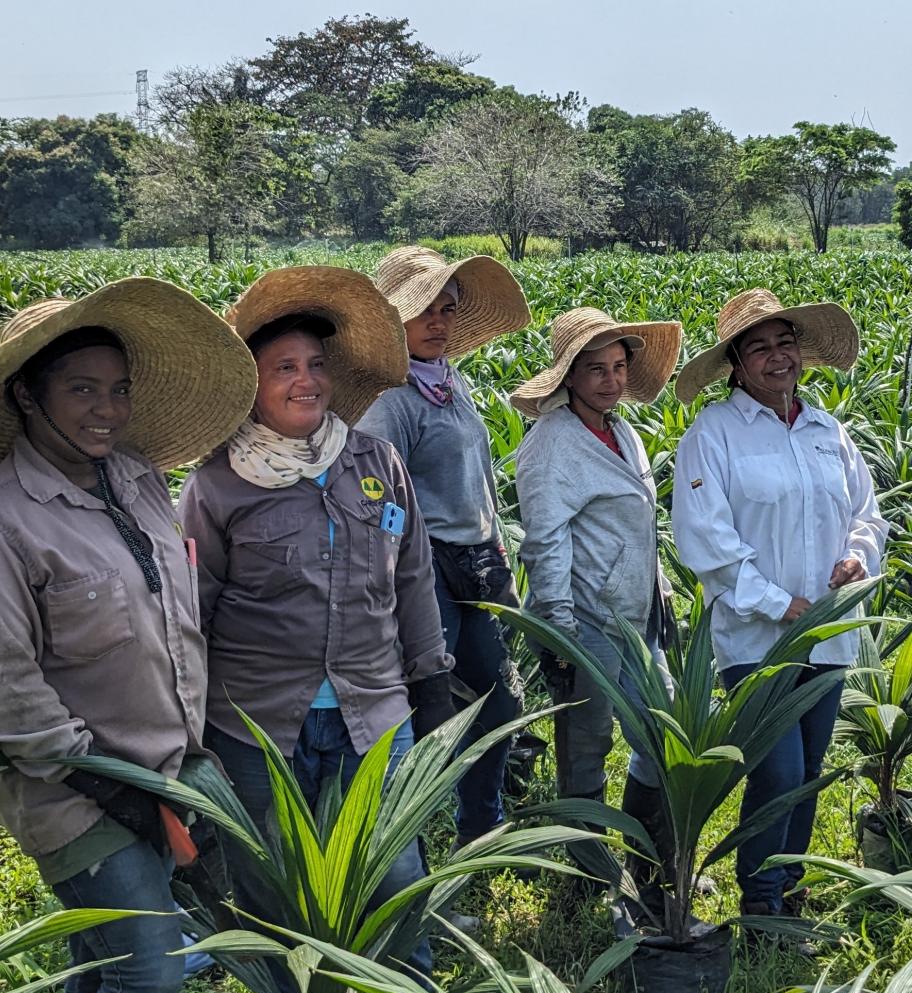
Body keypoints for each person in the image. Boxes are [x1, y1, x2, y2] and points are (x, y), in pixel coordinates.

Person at [0, 281, 257, 993]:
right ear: (26, 394)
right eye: (81, 389)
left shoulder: (137, 478)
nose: (107, 410)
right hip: (71, 793)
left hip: (161, 769)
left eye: (118, 390)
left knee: (108, 957)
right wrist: (107, 784)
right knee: (152, 973)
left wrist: (172, 768)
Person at [177, 265, 453, 993]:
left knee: (395, 871)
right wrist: (186, 716)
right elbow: (193, 611)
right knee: (273, 883)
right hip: (259, 718)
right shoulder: (217, 485)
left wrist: (430, 672)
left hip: (374, 705)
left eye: (317, 364)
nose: (307, 381)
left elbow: (413, 574)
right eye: (285, 368)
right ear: (253, 385)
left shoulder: (373, 461)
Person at [672, 288, 888, 918]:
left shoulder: (827, 429)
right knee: (777, 770)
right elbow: (706, 539)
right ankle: (760, 903)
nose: (777, 358)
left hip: (829, 633)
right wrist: (779, 603)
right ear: (735, 365)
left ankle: (788, 889)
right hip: (755, 637)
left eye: (785, 343)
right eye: (759, 348)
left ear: (801, 353)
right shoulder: (714, 434)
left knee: (811, 767)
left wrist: (857, 556)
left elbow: (865, 513)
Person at [355, 245, 533, 848]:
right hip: (427, 569)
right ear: (392, 321)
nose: (438, 321)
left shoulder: (448, 384)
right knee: (426, 715)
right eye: (422, 309)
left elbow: (479, 480)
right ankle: (400, 853)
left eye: (447, 308)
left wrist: (498, 544)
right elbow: (380, 507)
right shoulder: (390, 400)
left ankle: (480, 831)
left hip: (476, 561)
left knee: (496, 704)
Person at [511, 307, 684, 893]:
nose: (611, 380)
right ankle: (583, 871)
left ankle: (644, 857)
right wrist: (558, 632)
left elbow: (636, 521)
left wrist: (657, 585)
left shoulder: (620, 428)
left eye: (617, 367)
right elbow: (545, 543)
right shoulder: (552, 443)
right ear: (567, 377)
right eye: (595, 369)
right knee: (586, 742)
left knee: (659, 732)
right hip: (585, 620)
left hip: (637, 616)